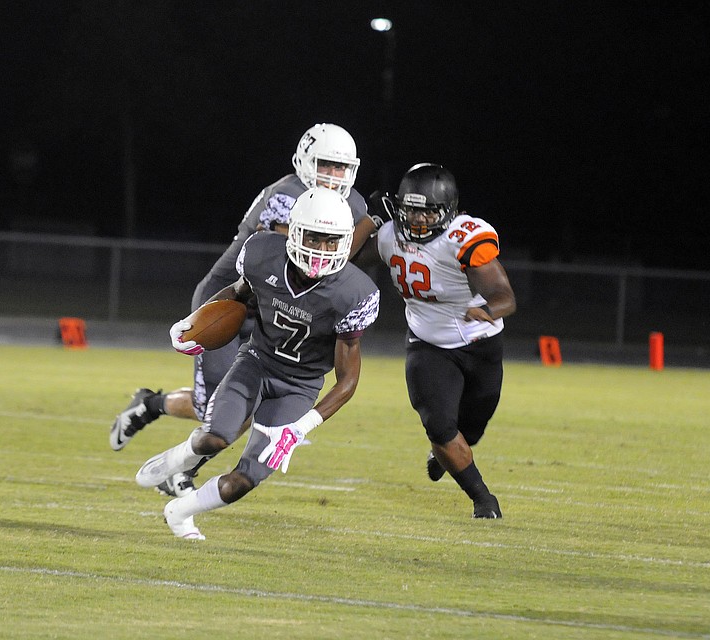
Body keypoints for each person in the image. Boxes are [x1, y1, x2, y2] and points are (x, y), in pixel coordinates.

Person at [109, 123, 380, 497]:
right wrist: (368, 226)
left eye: (340, 167)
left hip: (277, 312)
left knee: (242, 405)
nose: (332, 176)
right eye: (325, 165)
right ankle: (151, 406)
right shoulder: (287, 196)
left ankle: (180, 466)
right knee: (215, 407)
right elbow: (306, 260)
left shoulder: (350, 204)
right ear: (304, 161)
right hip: (233, 303)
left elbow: (330, 269)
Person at [135, 187, 380, 539]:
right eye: (314, 238)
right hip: (257, 363)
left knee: (244, 480)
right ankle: (178, 459)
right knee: (216, 437)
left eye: (332, 242)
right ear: (295, 232)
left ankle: (180, 512)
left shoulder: (355, 294)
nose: (322, 250)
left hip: (299, 387)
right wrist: (191, 322)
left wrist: (301, 428)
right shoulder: (263, 253)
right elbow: (236, 294)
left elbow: (347, 382)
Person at [365, 163, 516, 519]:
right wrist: (370, 221)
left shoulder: (462, 239)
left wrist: (489, 310)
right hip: (427, 343)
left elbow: (506, 297)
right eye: (411, 209)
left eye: (428, 211)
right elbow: (347, 258)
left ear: (448, 211)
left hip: (481, 343)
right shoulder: (389, 236)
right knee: (440, 426)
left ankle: (444, 455)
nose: (418, 219)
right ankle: (483, 499)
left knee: (472, 429)